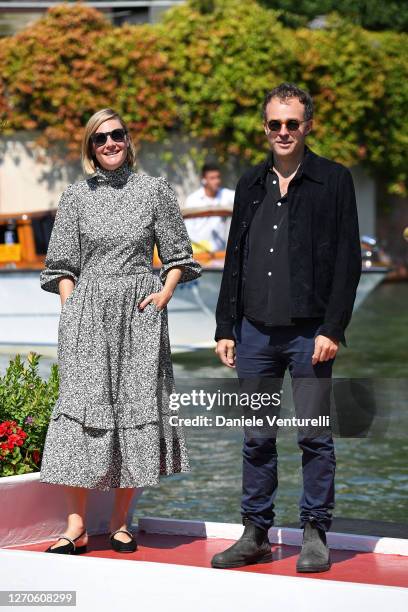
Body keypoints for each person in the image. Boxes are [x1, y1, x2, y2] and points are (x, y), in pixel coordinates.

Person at [211, 82, 361, 572]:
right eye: (274, 123)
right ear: (265, 127)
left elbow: (347, 262)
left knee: (314, 436)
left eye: (291, 123)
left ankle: (315, 531)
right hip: (253, 332)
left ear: (307, 125)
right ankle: (255, 532)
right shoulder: (250, 184)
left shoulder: (334, 181)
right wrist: (225, 326)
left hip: (310, 332)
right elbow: (234, 256)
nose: (283, 131)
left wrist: (333, 328)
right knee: (256, 437)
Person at [39, 108, 201, 555]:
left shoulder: (154, 191)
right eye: (100, 138)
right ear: (90, 147)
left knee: (136, 410)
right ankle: (75, 527)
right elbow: (60, 264)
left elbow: (178, 255)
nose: (110, 143)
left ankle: (119, 523)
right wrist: (69, 307)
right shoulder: (75, 196)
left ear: (129, 140)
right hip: (87, 313)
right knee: (79, 409)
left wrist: (164, 295)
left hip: (140, 314)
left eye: (117, 135)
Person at [183, 163, 235, 252]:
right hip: (198, 253)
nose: (217, 181)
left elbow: (243, 197)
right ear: (204, 180)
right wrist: (203, 246)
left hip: (220, 254)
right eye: (212, 178)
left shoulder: (227, 195)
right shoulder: (193, 200)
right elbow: (188, 229)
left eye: (218, 177)